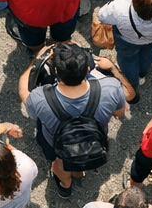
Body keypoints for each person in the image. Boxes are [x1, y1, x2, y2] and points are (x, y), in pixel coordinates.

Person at [18, 41, 133, 197]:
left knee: (59, 162)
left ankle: (65, 187)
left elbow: (23, 90)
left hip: (56, 143)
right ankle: (81, 169)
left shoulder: (40, 98)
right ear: (88, 69)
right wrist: (112, 67)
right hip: (93, 139)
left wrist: (37, 59)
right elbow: (119, 113)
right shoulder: (111, 88)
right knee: (79, 155)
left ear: (56, 71)